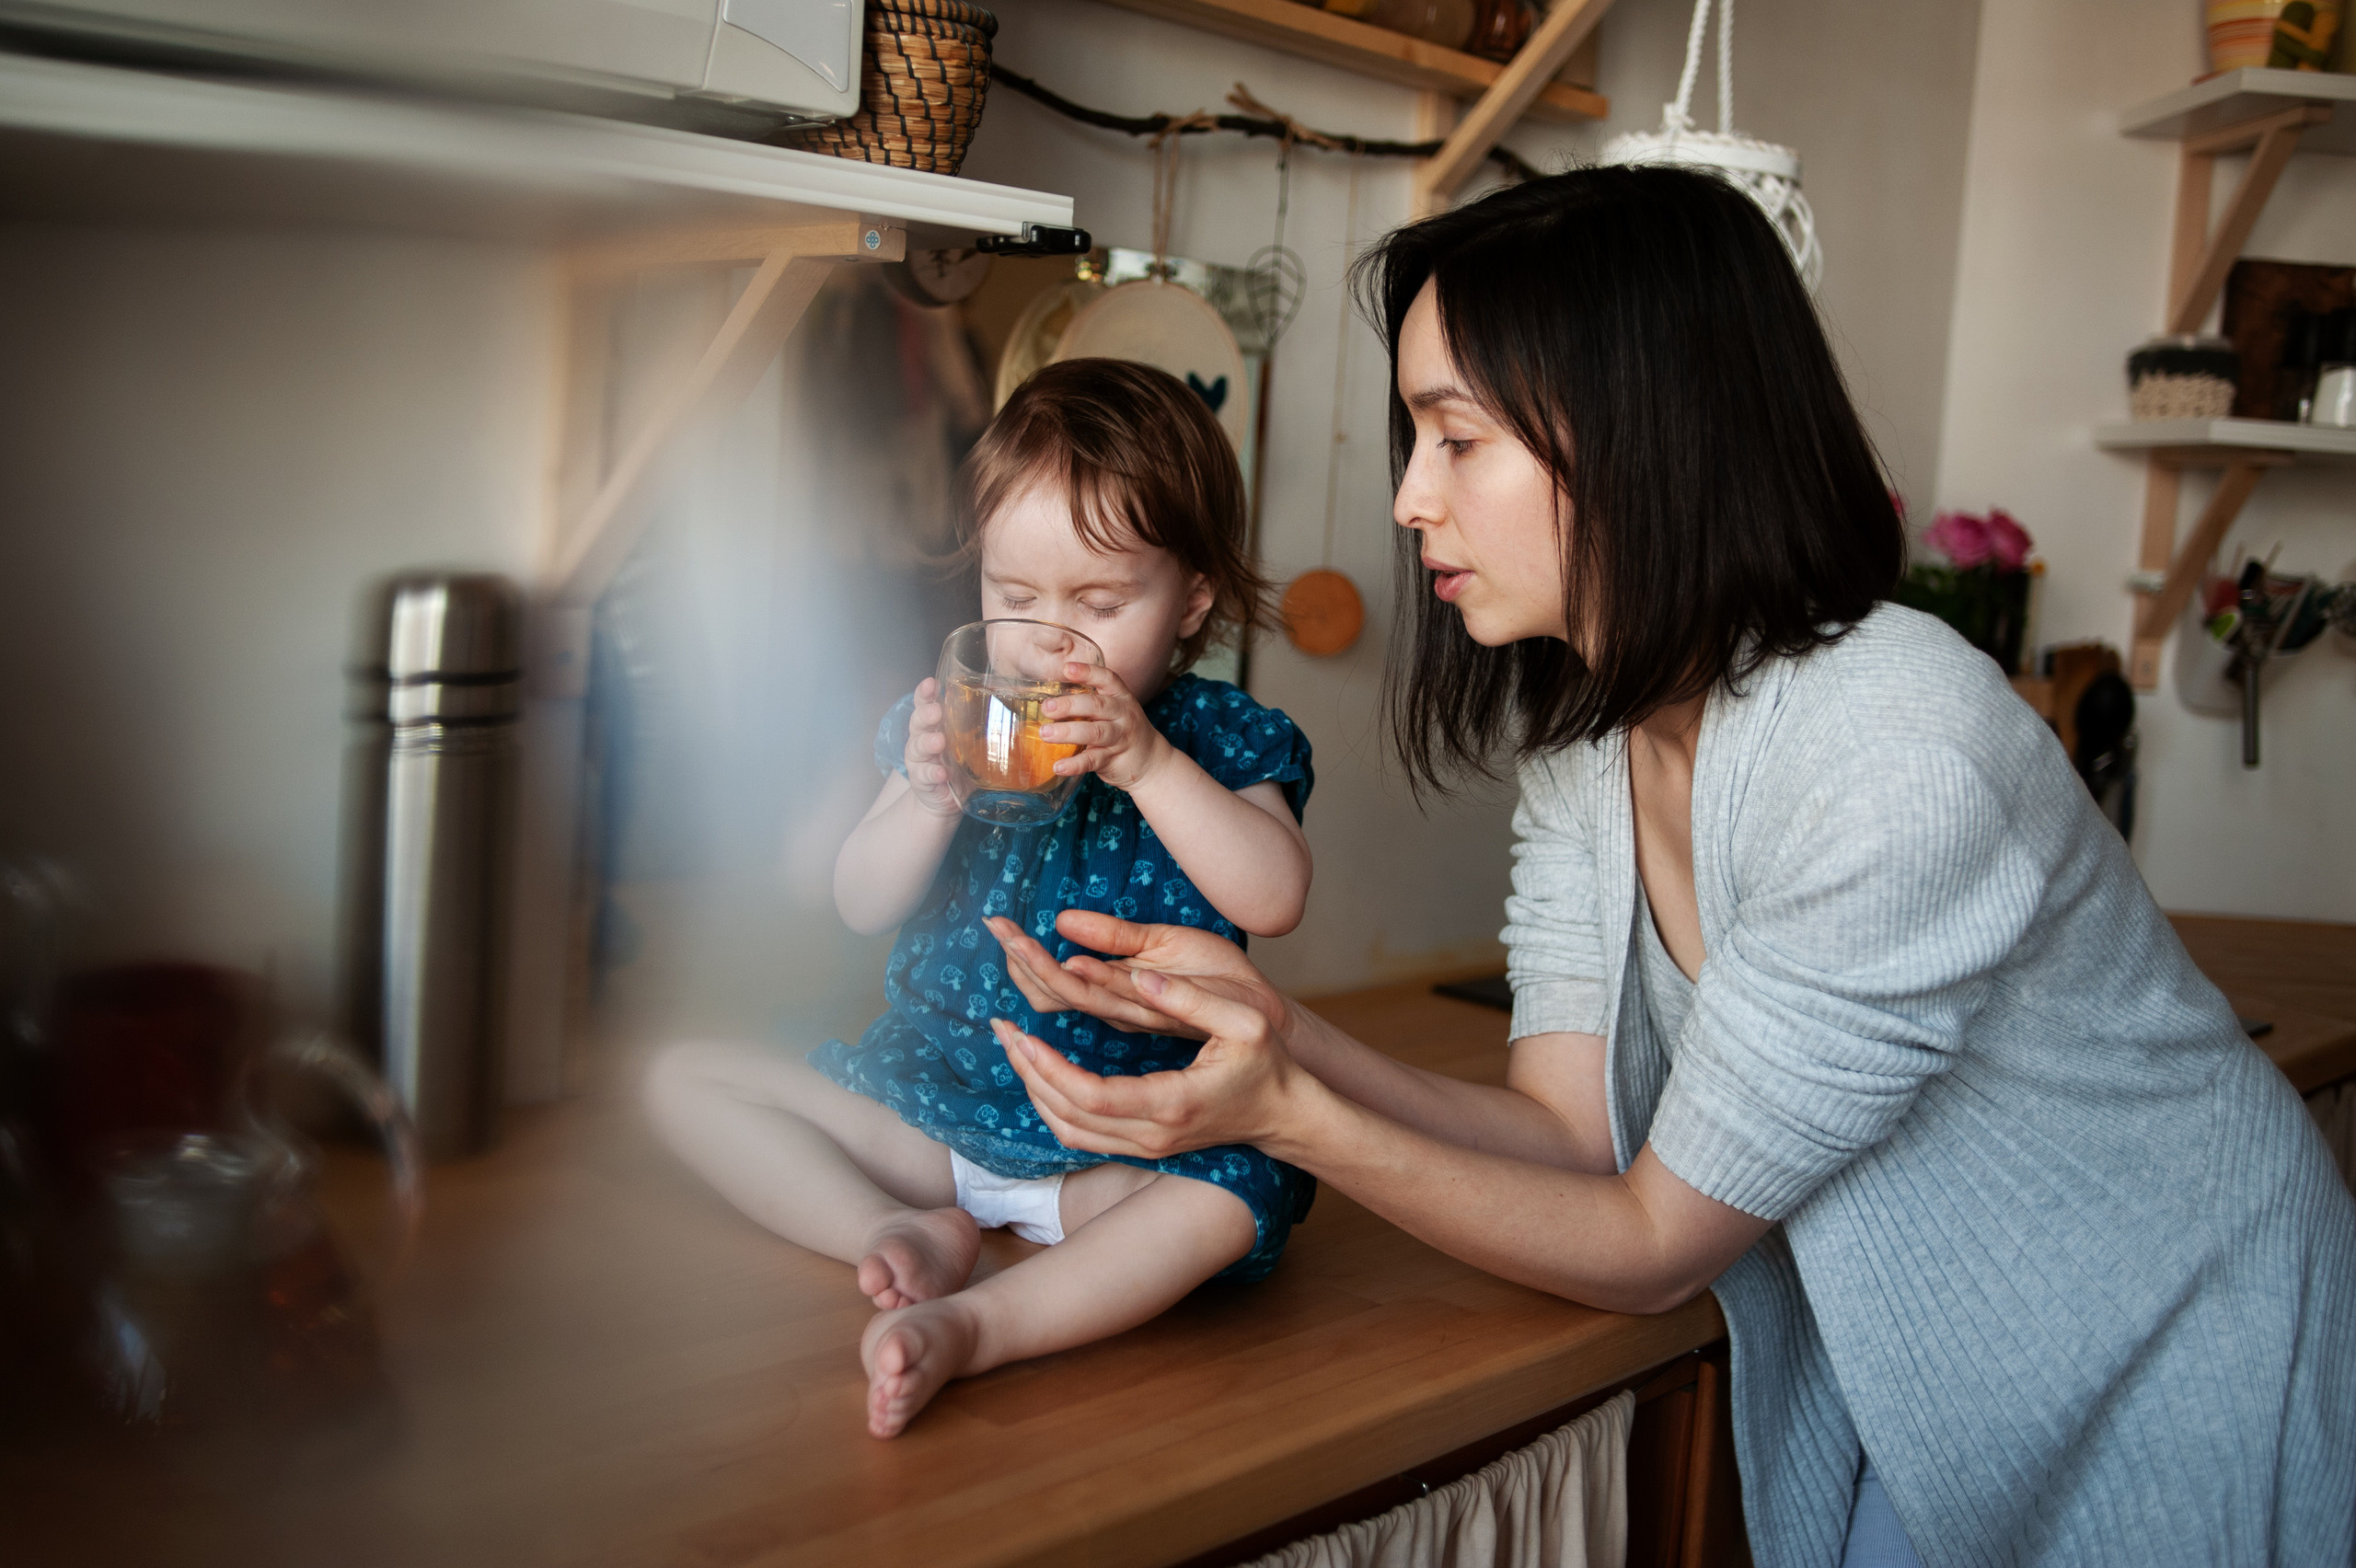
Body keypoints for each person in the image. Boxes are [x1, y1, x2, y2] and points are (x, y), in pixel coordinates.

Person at [979, 169, 2356, 1566]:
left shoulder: (1898, 753)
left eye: (1455, 438)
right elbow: (1569, 1139)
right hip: (1939, 1371)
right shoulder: (1593, 740)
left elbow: (1651, 1245)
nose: (1406, 498)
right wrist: (1283, 1036)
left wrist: (1285, 1115)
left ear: (1644, 437)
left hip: (2179, 1350)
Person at [645, 358, 1317, 1440]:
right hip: (925, 1111)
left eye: (1100, 603)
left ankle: (985, 1327)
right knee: (686, 1074)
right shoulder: (955, 720)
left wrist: (1147, 764)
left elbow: (1274, 894)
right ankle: (896, 1232)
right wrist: (924, 796)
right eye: (1014, 597)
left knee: (1238, 1196)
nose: (1050, 640)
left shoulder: (1218, 737)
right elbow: (858, 903)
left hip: (1115, 1143)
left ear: (1193, 597)